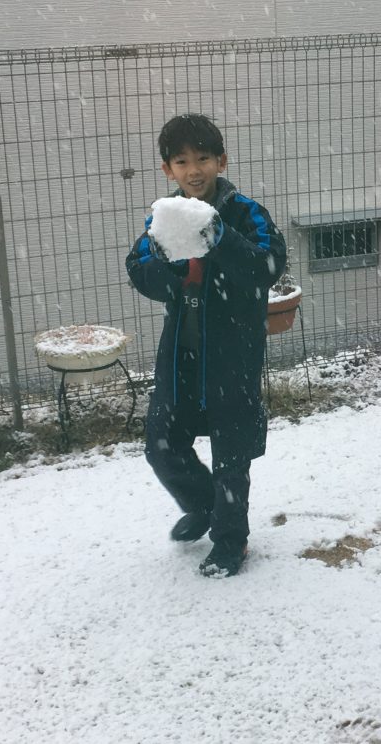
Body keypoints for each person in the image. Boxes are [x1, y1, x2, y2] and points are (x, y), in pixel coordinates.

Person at [125, 114, 287, 577]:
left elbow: (268, 266)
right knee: (161, 444)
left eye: (203, 159)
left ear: (222, 161)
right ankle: (204, 505)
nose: (193, 170)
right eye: (181, 162)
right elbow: (140, 272)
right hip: (181, 355)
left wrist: (221, 239)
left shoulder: (245, 213)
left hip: (232, 356)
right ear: (167, 169)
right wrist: (169, 265)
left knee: (231, 453)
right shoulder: (163, 217)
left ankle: (231, 542)